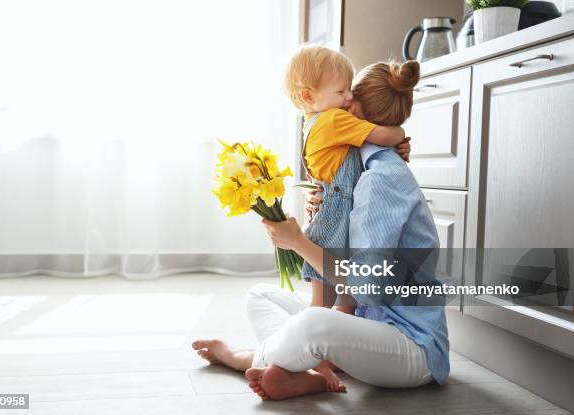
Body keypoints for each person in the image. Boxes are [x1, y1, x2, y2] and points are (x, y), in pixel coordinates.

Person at [192, 60, 449, 401]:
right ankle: (307, 371)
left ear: (353, 110)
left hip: (410, 347)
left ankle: (243, 358)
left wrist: (297, 242)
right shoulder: (359, 166)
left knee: (313, 323)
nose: (339, 102)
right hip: (367, 325)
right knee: (262, 295)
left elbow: (365, 286)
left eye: (346, 93)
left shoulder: (381, 180)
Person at [283, 45, 411, 390]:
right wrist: (399, 134)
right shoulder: (336, 119)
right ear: (310, 95)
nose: (349, 96)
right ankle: (313, 362)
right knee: (335, 301)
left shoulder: (311, 122)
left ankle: (316, 362)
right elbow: (382, 134)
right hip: (335, 218)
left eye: (350, 88)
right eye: (341, 91)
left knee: (325, 301)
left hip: (328, 212)